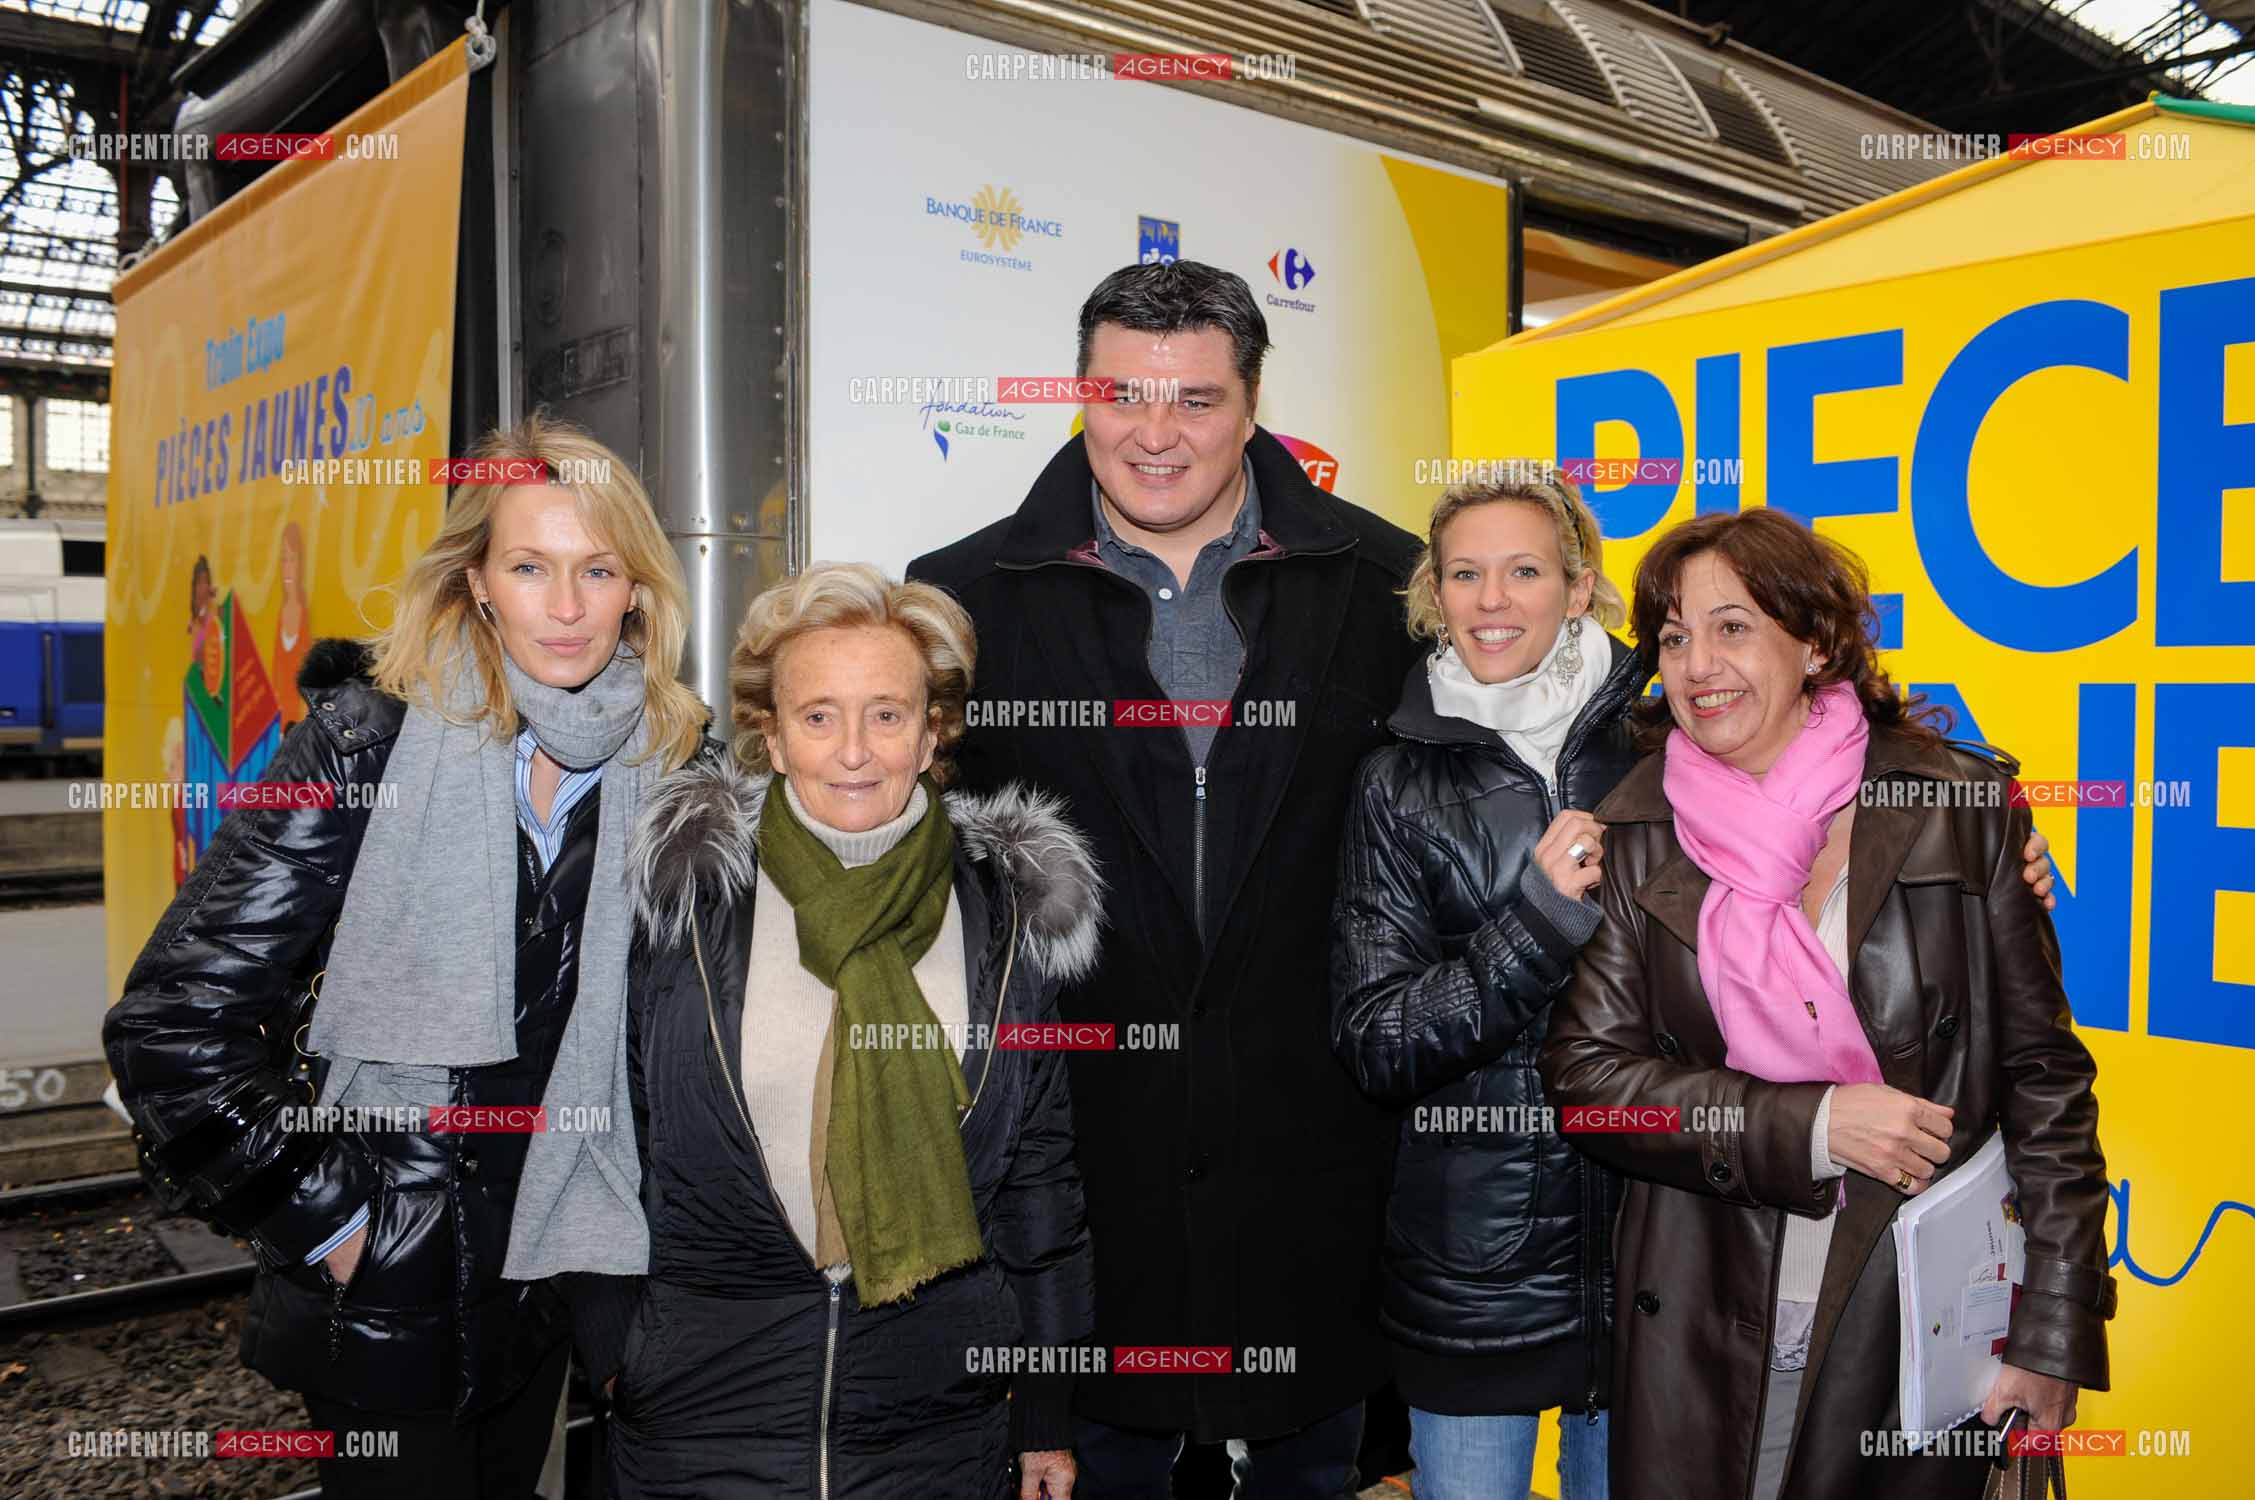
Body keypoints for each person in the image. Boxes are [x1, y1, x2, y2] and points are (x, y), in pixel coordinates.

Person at [1331, 479, 2057, 1500]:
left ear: (1579, 589)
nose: (1491, 599)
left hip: (1671, 1265)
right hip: (1482, 1275)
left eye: (1524, 569)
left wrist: (1991, 862)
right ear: (1431, 594)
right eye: (1463, 573)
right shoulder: (1399, 781)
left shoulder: (1664, 742)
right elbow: (1377, 1041)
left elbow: (1849, 794)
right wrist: (1533, 927)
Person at [104, 416, 705, 1498]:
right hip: (386, 1292)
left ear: (637, 590)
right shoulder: (362, 745)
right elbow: (171, 1025)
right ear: (475, 579)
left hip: (550, 1279)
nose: (565, 607)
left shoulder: (666, 764)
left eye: (596, 569)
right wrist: (337, 1223)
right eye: (529, 566)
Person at [910, 259, 1427, 1498]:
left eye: (1194, 400)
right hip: (1074, 1207)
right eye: (1121, 396)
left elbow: (1552, 736)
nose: (1155, 434)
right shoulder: (962, 597)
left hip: (1318, 1209)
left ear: (1252, 405)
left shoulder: (1388, 585)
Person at [1538, 507, 2115, 1500]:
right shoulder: (1635, 828)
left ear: (1813, 642)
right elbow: (1587, 1086)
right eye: (1671, 636)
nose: (1695, 662)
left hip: (1908, 1324)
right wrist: (1808, 1125)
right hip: (1701, 1323)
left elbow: (2042, 1081)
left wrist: (2054, 1329)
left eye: (1731, 626)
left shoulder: (1955, 809)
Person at [571, 563, 1098, 1499]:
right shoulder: (684, 901)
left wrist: (1045, 1413)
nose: (853, 750)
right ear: (770, 737)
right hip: (702, 1418)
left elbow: (1039, 1186)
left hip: (933, 1422)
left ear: (933, 732)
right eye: (817, 716)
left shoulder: (1005, 917)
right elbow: (600, 1125)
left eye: (887, 714)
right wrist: (616, 1347)